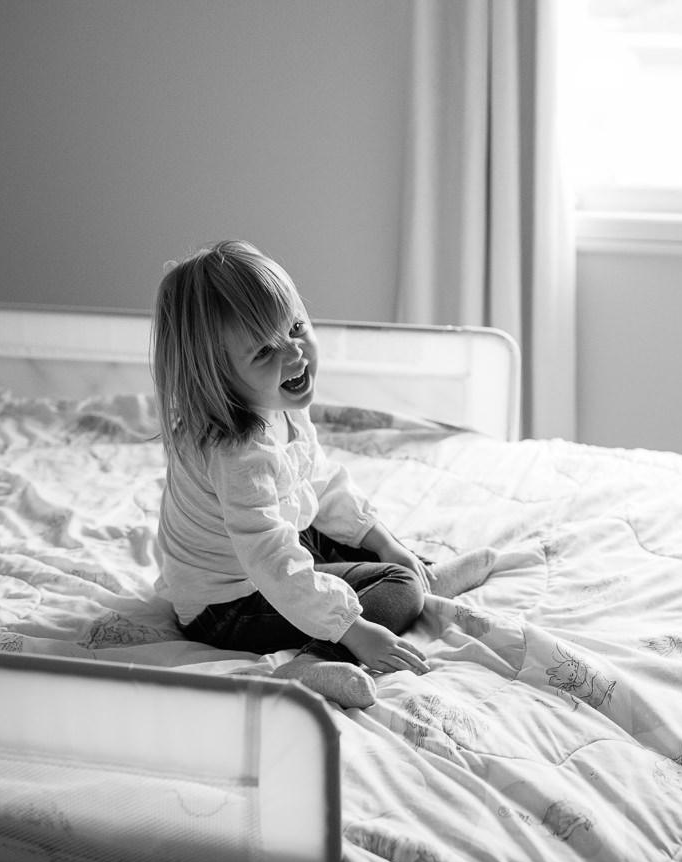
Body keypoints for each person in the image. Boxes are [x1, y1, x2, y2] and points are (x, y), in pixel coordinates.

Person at [152, 240, 495, 709]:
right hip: (226, 606)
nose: (294, 353)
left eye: (295, 327)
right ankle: (313, 662)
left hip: (260, 557)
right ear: (217, 376)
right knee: (396, 589)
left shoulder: (279, 405)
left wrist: (383, 540)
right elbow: (273, 558)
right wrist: (354, 631)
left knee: (338, 528)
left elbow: (319, 481)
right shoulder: (238, 453)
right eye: (264, 352)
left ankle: (422, 572)